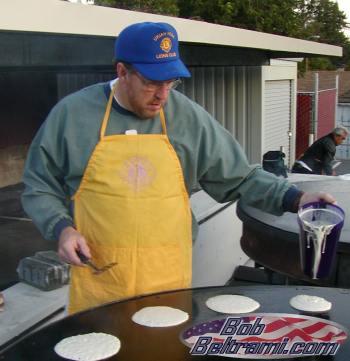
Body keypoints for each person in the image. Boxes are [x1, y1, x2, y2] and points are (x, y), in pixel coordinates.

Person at [22, 21, 335, 314]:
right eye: (151, 83)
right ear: (123, 71)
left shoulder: (187, 118)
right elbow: (39, 187)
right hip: (100, 281)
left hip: (168, 281)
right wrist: (62, 229)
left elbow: (241, 177)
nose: (162, 95)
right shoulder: (72, 115)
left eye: (170, 82)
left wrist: (295, 199)